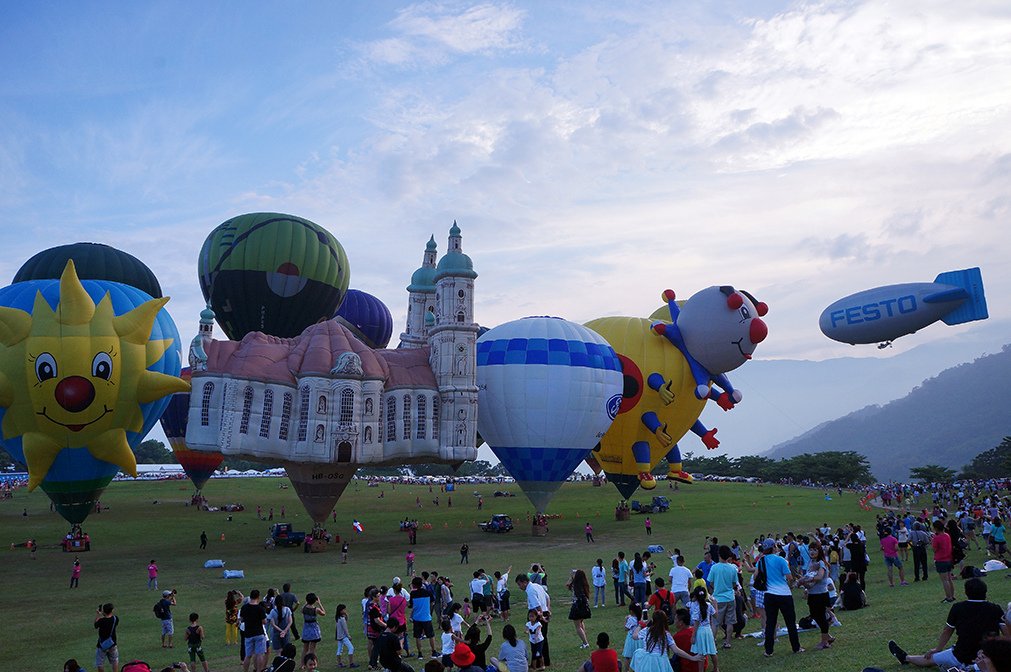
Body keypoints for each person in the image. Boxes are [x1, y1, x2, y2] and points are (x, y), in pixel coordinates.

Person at [888, 578, 1009, 669]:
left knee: (928, 659)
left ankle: (906, 657)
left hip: (960, 655)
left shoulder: (958, 608)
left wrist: (937, 649)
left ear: (966, 592)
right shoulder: (995, 609)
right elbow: (1007, 634)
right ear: (985, 592)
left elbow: (947, 630)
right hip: (988, 657)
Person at [757, 539, 803, 656]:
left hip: (769, 594)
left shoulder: (761, 561)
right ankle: (796, 648)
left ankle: (768, 651)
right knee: (790, 623)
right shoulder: (781, 560)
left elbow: (756, 575)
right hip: (784, 594)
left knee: (770, 623)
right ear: (774, 547)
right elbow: (789, 577)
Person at [631, 611, 700, 672]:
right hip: (661, 661)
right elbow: (676, 650)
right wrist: (692, 658)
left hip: (647, 660)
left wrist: (640, 624)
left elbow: (634, 636)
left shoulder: (647, 630)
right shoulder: (666, 634)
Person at [797, 543, 833, 651]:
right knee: (815, 616)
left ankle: (824, 642)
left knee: (821, 617)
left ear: (819, 551)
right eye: (810, 549)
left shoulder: (822, 563)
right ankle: (828, 637)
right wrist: (801, 582)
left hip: (821, 595)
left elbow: (819, 577)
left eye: (815, 550)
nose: (812, 552)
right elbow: (810, 581)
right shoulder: (811, 562)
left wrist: (805, 580)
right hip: (813, 595)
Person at [706, 546, 739, 650]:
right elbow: (734, 583)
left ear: (719, 555)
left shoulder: (714, 567)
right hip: (730, 597)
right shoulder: (733, 568)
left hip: (718, 599)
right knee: (730, 621)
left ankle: (712, 643)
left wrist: (716, 587)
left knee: (715, 622)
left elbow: (710, 582)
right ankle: (728, 642)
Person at [688, 587, 718, 671]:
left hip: (700, 631)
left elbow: (696, 623)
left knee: (700, 653)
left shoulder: (696, 607)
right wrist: (715, 604)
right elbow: (716, 616)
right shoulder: (708, 605)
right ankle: (716, 668)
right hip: (708, 630)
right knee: (712, 651)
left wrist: (693, 636)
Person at [240, 589, 269, 672]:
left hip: (248, 633)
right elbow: (264, 621)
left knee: (248, 655)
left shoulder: (244, 607)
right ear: (258, 597)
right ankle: (259, 670)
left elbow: (242, 619)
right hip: (259, 633)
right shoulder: (260, 608)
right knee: (259, 654)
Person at [411, 576, 438, 659]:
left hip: (417, 617)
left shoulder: (413, 594)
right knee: (431, 635)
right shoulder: (428, 592)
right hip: (426, 617)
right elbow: (432, 602)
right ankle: (434, 652)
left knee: (418, 636)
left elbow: (411, 605)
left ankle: (420, 654)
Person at [567, 569, 593, 649]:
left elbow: (568, 585)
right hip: (584, 607)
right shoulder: (584, 585)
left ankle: (585, 643)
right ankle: (585, 641)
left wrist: (571, 577)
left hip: (577, 607)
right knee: (581, 623)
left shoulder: (575, 585)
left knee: (577, 626)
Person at [932, 520, 956, 603]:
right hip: (948, 559)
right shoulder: (947, 535)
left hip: (941, 560)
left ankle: (948, 597)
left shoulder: (936, 538)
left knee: (945, 580)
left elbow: (934, 549)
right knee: (949, 579)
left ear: (936, 528)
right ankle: (952, 595)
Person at [301, 593, 325, 663]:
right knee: (312, 649)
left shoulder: (304, 609)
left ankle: (302, 664)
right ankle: (312, 663)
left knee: (305, 648)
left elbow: (302, 610)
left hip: (306, 630)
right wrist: (319, 603)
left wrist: (307, 602)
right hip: (314, 631)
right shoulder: (316, 610)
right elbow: (324, 613)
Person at [95, 602, 119, 672]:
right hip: (112, 643)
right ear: (112, 610)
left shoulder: (101, 621)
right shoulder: (115, 619)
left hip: (102, 645)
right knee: (115, 661)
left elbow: (95, 625)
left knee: (100, 663)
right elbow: (109, 618)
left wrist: (98, 614)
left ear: (104, 611)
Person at [335, 603, 358, 668]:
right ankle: (351, 663)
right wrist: (348, 636)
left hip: (339, 636)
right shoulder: (342, 619)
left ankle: (339, 663)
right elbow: (345, 628)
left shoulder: (337, 618)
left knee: (339, 650)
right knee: (351, 648)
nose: (345, 610)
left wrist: (346, 615)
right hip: (343, 636)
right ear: (341, 611)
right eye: (344, 609)